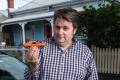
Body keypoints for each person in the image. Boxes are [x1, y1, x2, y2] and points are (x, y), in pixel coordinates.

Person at [24, 8, 98, 80]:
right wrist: (33, 67)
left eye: (65, 28)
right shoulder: (41, 48)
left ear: (74, 30)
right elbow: (27, 78)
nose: (60, 32)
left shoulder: (85, 52)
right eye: (57, 27)